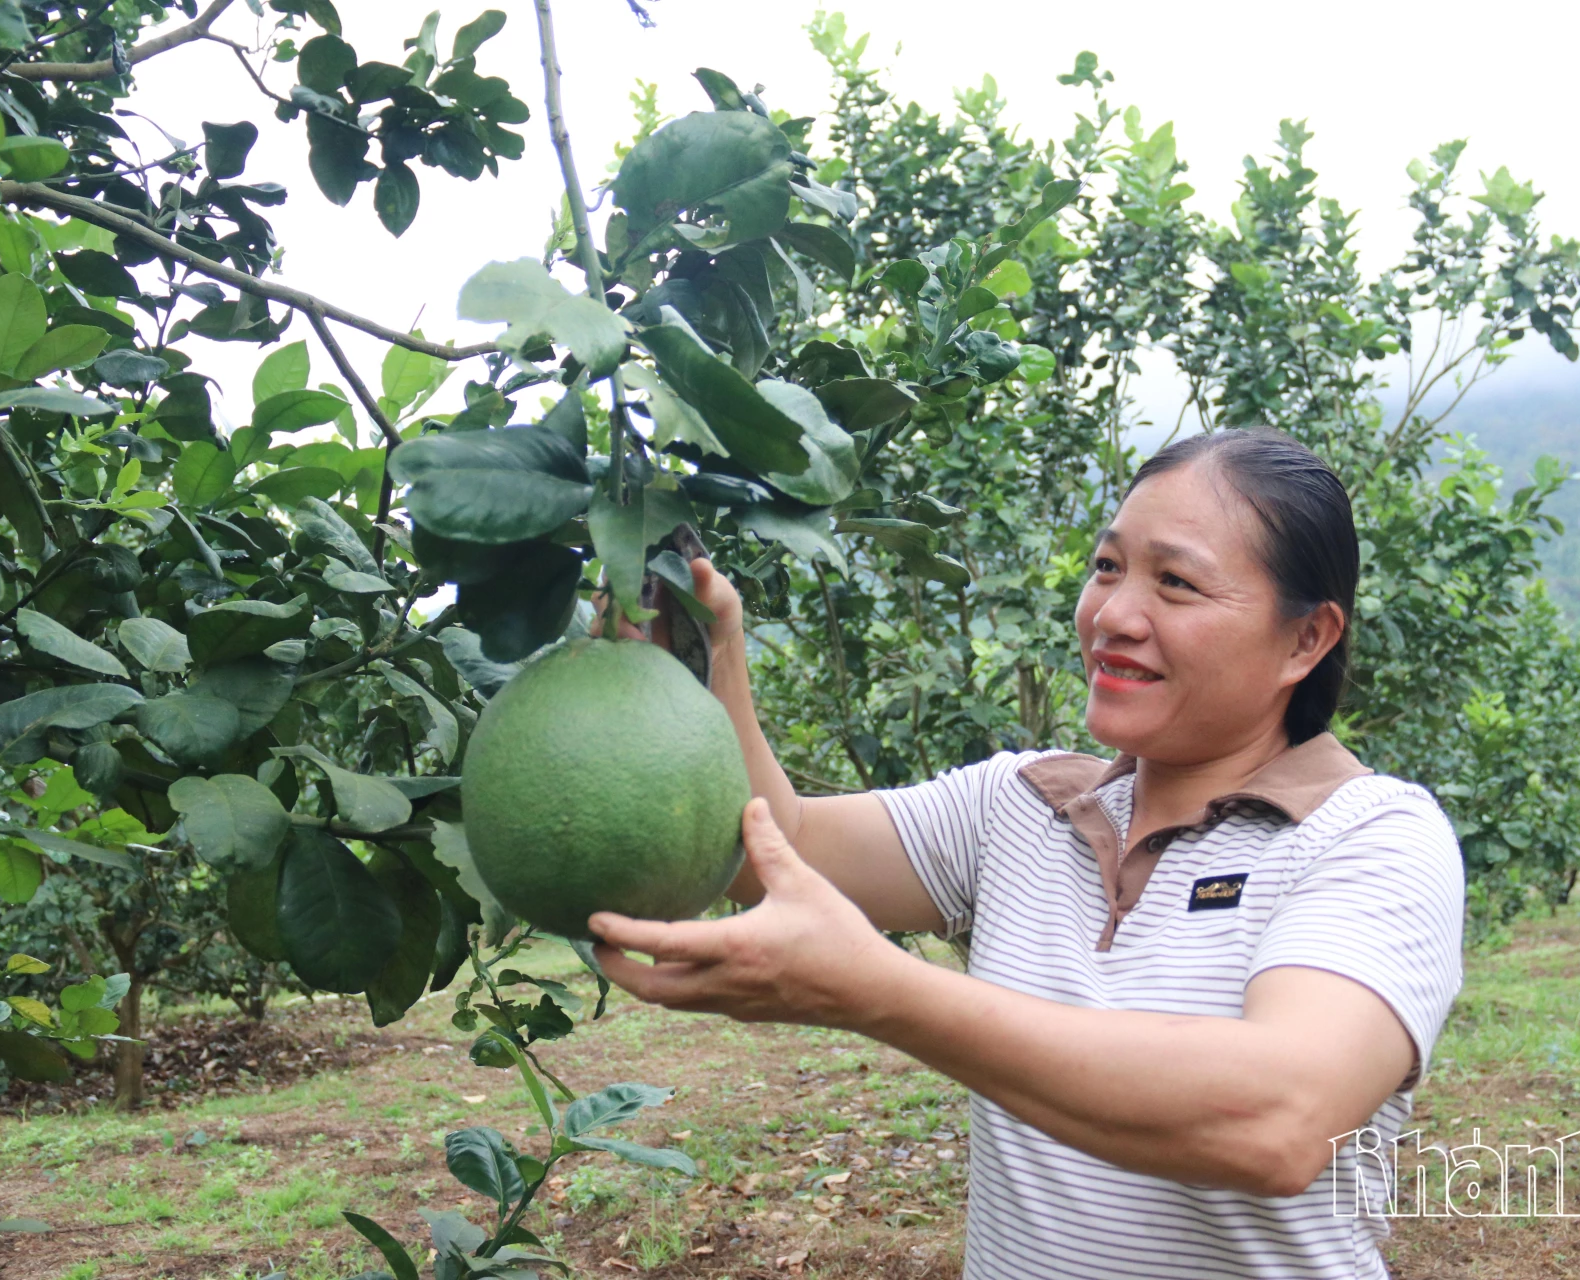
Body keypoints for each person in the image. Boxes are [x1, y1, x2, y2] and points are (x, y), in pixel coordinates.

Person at [589, 427, 1466, 1280]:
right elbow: (782, 851)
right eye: (1108, 567)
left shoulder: (1371, 836)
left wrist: (874, 992)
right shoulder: (1024, 804)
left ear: (1306, 640)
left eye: (1177, 584)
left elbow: (1277, 1121)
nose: (1114, 615)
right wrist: (711, 661)